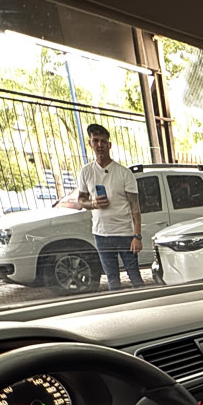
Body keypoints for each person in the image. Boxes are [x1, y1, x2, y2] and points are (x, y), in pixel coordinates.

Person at [76, 123, 142, 291]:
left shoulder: (123, 173)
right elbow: (81, 200)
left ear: (109, 145)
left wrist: (137, 236)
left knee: (135, 277)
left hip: (125, 233)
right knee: (112, 279)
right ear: (90, 143)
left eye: (103, 141)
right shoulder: (86, 172)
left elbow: (135, 208)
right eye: (95, 141)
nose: (100, 145)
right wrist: (93, 204)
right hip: (101, 234)